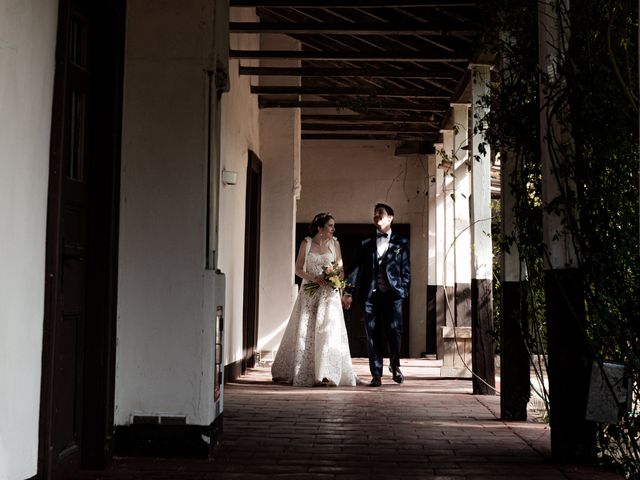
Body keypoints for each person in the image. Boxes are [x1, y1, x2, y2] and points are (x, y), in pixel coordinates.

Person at [271, 212, 358, 387]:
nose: (333, 229)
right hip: (310, 292)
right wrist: (313, 278)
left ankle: (326, 373)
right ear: (320, 227)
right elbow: (297, 269)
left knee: (328, 331)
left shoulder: (335, 244)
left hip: (329, 294)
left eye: (334, 226)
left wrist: (339, 289)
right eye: (330, 226)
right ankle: (306, 371)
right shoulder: (307, 243)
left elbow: (340, 270)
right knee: (307, 330)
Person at [342, 203, 410, 387]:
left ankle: (395, 366)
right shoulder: (365, 242)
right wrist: (348, 291)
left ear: (390, 217)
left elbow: (406, 269)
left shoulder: (401, 242)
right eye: (374, 214)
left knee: (394, 331)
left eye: (380, 213)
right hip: (370, 296)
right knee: (373, 335)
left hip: (393, 294)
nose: (376, 216)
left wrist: (403, 291)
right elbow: (354, 269)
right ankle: (376, 374)